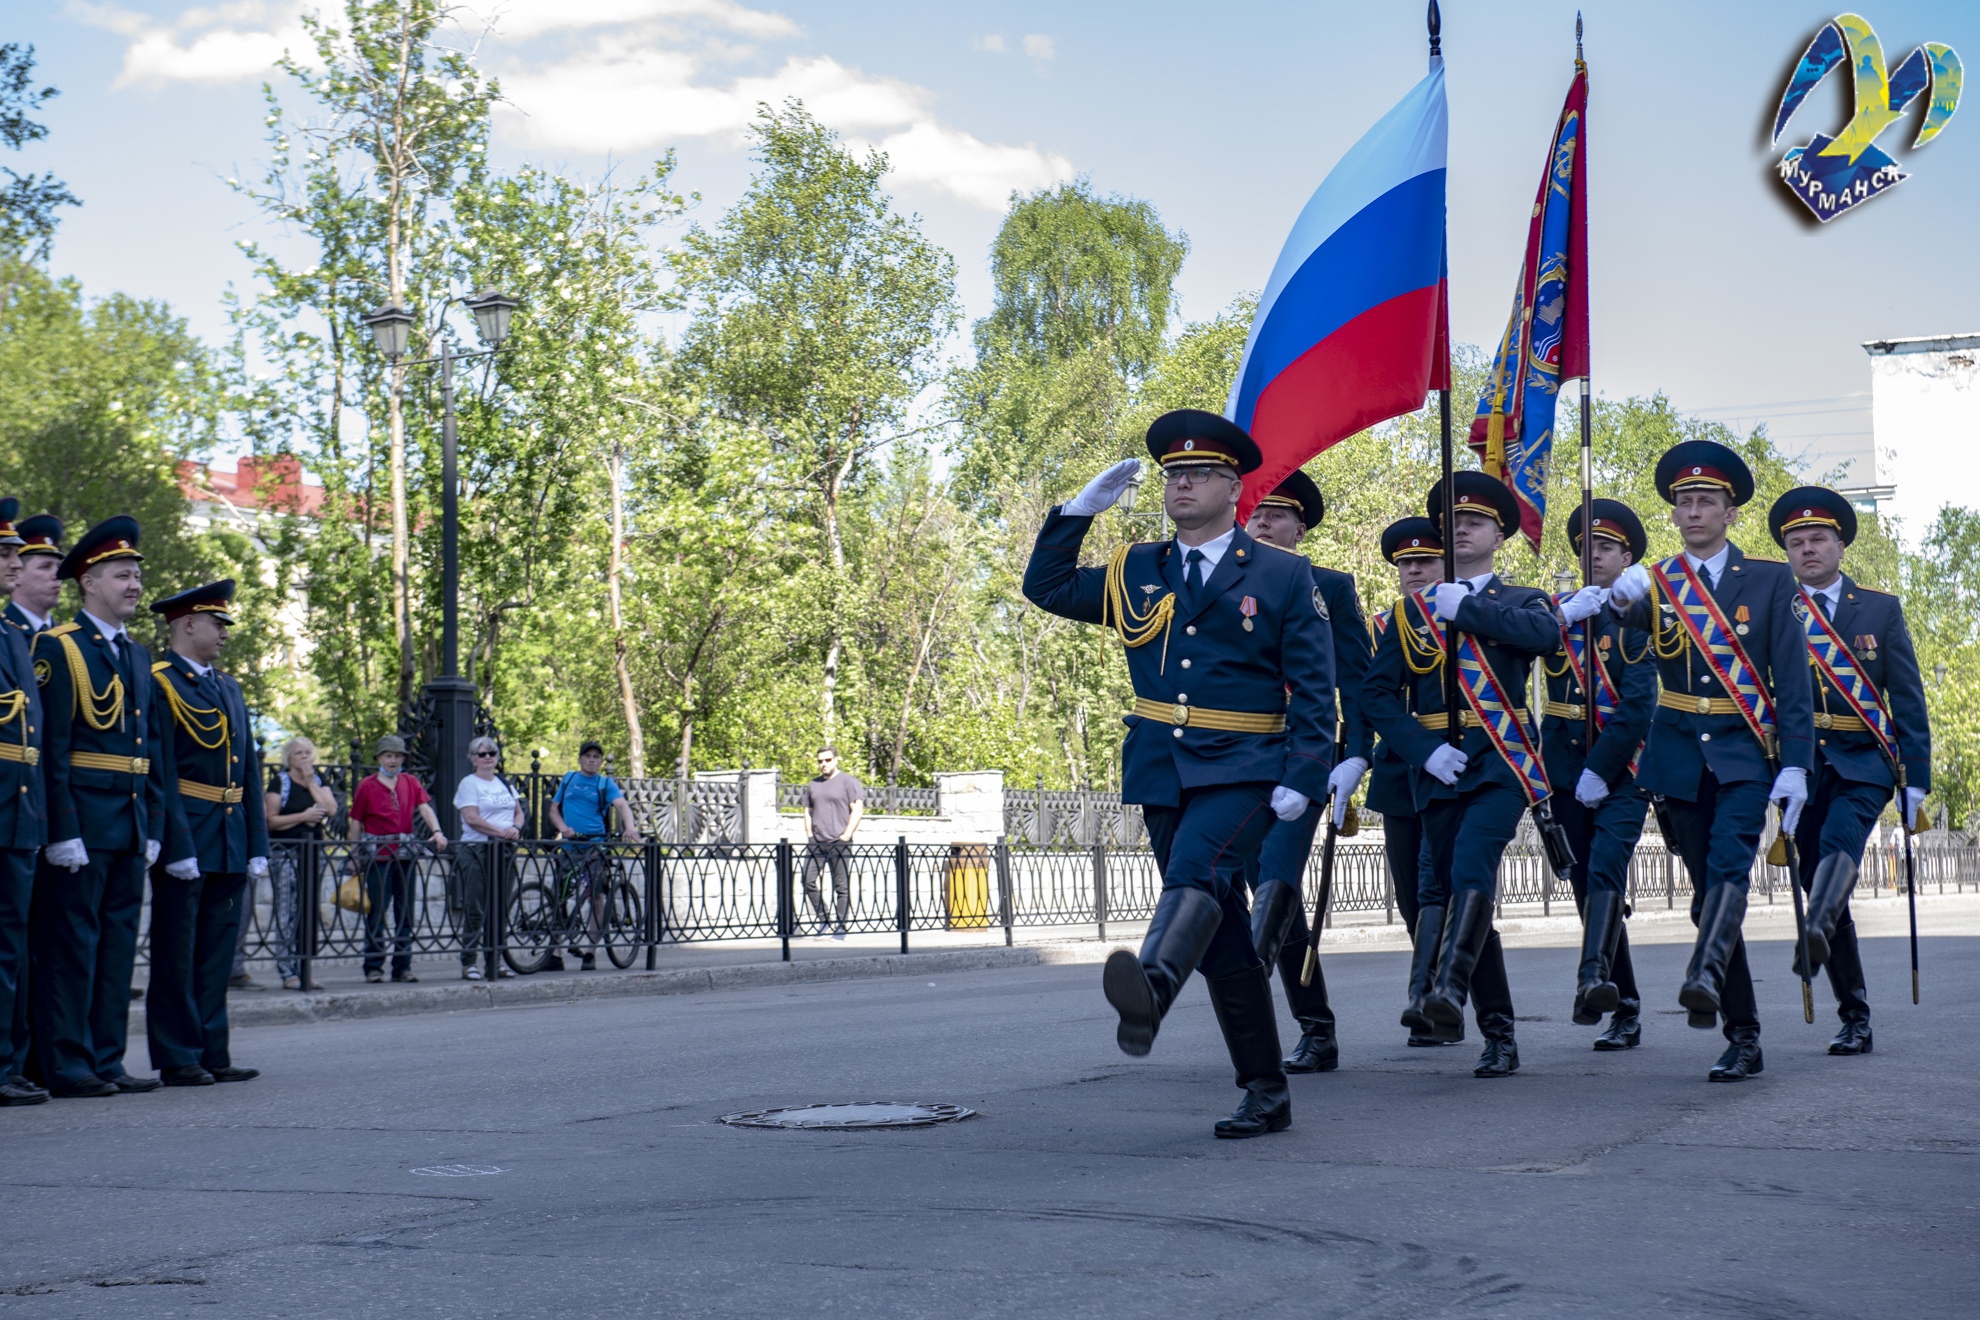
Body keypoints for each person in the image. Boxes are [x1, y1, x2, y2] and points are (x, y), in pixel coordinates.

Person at [1023, 409, 1336, 1139]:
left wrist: (1307, 771)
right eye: (1172, 475)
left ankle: (1154, 987)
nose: (1182, 483)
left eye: (1199, 473)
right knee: (1223, 935)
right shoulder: (1140, 568)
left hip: (1248, 766)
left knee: (1194, 877)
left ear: (1235, 487)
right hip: (1163, 765)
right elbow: (1048, 588)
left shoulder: (1282, 575)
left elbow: (1317, 689)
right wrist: (1076, 514)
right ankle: (1265, 1088)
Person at [1608, 440, 1815, 1083]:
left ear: (1730, 512)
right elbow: (1628, 637)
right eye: (1685, 502)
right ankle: (1731, 1008)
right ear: (1673, 514)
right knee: (1706, 897)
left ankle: (1740, 1032)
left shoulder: (1770, 579)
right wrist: (1618, 599)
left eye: (1708, 501)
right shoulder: (1660, 580)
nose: (1695, 511)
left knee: (1729, 873)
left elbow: (1792, 676)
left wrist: (1797, 763)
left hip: (1745, 753)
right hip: (1676, 757)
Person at [1362, 472, 1560, 1079]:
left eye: (1475, 522)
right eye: (1453, 524)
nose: (1462, 530)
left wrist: (1468, 609)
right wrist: (1421, 750)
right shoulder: (1407, 615)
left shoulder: (1521, 599)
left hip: (1500, 760)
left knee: (1474, 866)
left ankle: (1442, 990)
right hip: (1438, 768)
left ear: (1499, 534)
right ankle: (1497, 1032)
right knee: (1448, 892)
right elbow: (1376, 695)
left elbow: (1547, 637)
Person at [1769, 485, 1930, 1056]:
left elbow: (1907, 697)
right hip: (1800, 765)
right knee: (1816, 880)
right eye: (1796, 542)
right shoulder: (1777, 608)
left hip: (1864, 762)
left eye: (1817, 539)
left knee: (1840, 846)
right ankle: (1853, 1011)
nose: (1807, 549)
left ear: (1840, 544)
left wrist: (1917, 780)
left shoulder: (1879, 609)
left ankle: (1820, 942)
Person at [29, 516, 175, 1097]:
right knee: (72, 947)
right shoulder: (59, 647)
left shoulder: (137, 656)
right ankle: (67, 1062)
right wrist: (62, 830)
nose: (135, 585)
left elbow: (152, 753)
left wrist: (154, 826)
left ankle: (107, 1057)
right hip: (84, 824)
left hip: (128, 824)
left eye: (137, 575)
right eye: (122, 575)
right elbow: (54, 751)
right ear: (89, 582)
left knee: (117, 948)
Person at [1240, 469, 1372, 1074]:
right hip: (1234, 760)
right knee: (1264, 892)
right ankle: (1316, 1028)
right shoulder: (1219, 581)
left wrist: (1356, 753)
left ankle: (1259, 1019)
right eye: (1256, 512)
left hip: (1303, 754)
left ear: (1300, 526)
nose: (1262, 522)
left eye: (1276, 514)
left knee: (1276, 880)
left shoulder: (1329, 588)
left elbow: (1360, 682)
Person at [1543, 500, 1657, 1050]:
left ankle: (1593, 983)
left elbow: (1637, 707)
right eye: (1586, 548)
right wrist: (1564, 617)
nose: (1594, 556)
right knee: (1589, 890)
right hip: (1563, 774)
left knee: (1608, 871)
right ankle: (1624, 1002)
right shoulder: (1560, 615)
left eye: (1605, 548)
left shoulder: (1638, 618)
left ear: (1626, 556)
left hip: (1623, 773)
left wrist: (1600, 769)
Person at [147, 579, 268, 1086]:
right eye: (217, 623)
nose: (224, 633)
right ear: (187, 623)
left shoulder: (228, 687)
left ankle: (213, 1050)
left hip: (229, 833)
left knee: (217, 948)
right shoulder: (160, 682)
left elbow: (250, 773)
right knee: (177, 949)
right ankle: (178, 1055)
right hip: (189, 834)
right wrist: (175, 843)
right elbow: (162, 771)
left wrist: (257, 843)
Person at [1366, 517, 1454, 1048]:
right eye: (1405, 564)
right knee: (1409, 894)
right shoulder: (1386, 624)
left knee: (1440, 888)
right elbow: (1367, 695)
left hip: (1454, 770)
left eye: (1425, 561)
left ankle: (1435, 996)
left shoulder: (1467, 616)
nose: (1414, 571)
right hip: (1401, 772)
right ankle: (1431, 989)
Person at [1, 510, 59, 1095]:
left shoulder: (11, 638)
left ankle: (12, 1063)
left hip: (19, 813)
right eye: (6, 557)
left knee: (13, 945)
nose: (14, 565)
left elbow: (35, 740)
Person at [348, 734, 447, 984]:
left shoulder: (410, 781)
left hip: (404, 854)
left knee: (405, 912)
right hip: (377, 855)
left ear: (403, 758)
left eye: (397, 756)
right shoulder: (367, 785)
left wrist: (437, 831)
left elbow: (425, 807)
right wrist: (354, 853)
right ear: (380, 758)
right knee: (377, 911)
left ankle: (403, 967)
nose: (393, 760)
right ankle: (374, 967)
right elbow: (356, 820)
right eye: (388, 755)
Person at [547, 740, 642, 970]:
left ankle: (591, 951)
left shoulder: (604, 783)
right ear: (580, 759)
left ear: (600, 761)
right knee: (558, 897)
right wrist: (562, 828)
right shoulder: (569, 779)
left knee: (596, 897)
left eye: (596, 757)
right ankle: (555, 953)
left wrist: (630, 827)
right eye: (587, 756)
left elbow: (621, 805)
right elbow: (553, 809)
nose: (592, 760)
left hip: (595, 847)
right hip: (570, 847)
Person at [264, 736, 335, 991]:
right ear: (288, 758)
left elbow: (331, 810)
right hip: (286, 854)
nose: (304, 757)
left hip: (312, 855)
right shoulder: (279, 782)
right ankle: (287, 970)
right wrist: (303, 816)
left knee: (307, 910)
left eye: (308, 752)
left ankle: (304, 969)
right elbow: (270, 820)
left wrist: (311, 783)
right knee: (287, 910)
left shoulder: (318, 780)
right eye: (298, 754)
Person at [454, 735, 522, 981]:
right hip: (477, 849)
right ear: (473, 759)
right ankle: (469, 961)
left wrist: (515, 828)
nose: (487, 758)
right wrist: (501, 832)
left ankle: (495, 961)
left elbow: (519, 812)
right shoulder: (469, 784)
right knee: (476, 907)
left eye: (492, 753)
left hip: (503, 850)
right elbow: (471, 818)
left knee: (500, 907)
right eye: (482, 754)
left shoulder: (504, 783)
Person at [799, 747, 864, 938]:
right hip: (817, 843)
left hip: (839, 842)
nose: (823, 764)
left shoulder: (848, 782)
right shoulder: (813, 785)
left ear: (836, 760)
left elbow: (857, 810)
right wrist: (810, 837)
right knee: (807, 879)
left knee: (840, 886)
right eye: (820, 761)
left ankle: (841, 926)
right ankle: (824, 920)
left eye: (827, 760)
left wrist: (846, 836)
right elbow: (807, 812)